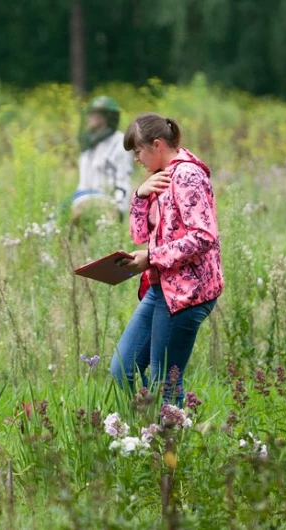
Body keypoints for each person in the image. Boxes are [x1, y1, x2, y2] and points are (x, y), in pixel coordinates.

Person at [109, 112, 224, 406]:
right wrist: (140, 195)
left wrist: (151, 258)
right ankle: (147, 433)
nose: (136, 159)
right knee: (122, 369)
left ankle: (170, 446)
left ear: (157, 145)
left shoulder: (187, 177)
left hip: (187, 293)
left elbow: (203, 236)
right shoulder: (160, 178)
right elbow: (139, 235)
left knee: (165, 383)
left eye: (138, 151)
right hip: (161, 289)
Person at [70, 96, 134, 228]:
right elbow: (83, 182)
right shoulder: (88, 145)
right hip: (83, 200)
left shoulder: (120, 144)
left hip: (107, 202)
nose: (90, 117)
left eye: (95, 113)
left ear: (106, 117)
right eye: (90, 113)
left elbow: (123, 180)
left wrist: (119, 210)